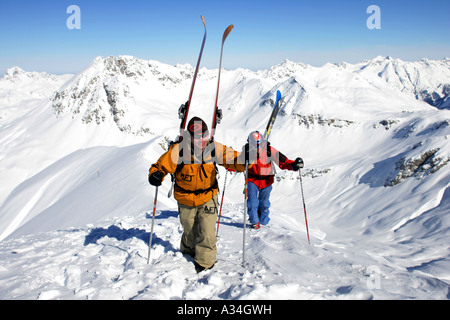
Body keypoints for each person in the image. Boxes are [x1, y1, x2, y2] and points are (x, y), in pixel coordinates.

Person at [148, 117, 247, 273]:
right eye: (197, 136)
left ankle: (205, 264)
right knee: (190, 230)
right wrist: (156, 174)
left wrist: (245, 159)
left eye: (205, 134)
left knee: (207, 232)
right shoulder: (179, 150)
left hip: (208, 195)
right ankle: (187, 253)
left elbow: (233, 159)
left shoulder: (213, 148)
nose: (202, 139)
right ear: (190, 137)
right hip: (185, 197)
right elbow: (161, 165)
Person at [245, 131, 304, 229]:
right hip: (252, 179)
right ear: (250, 144)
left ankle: (264, 221)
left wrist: (294, 165)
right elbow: (237, 163)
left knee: (264, 203)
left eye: (260, 144)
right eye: (255, 145)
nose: (258, 147)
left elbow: (283, 162)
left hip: (266, 180)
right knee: (252, 202)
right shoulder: (247, 152)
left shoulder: (269, 150)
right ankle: (254, 221)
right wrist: (229, 165)